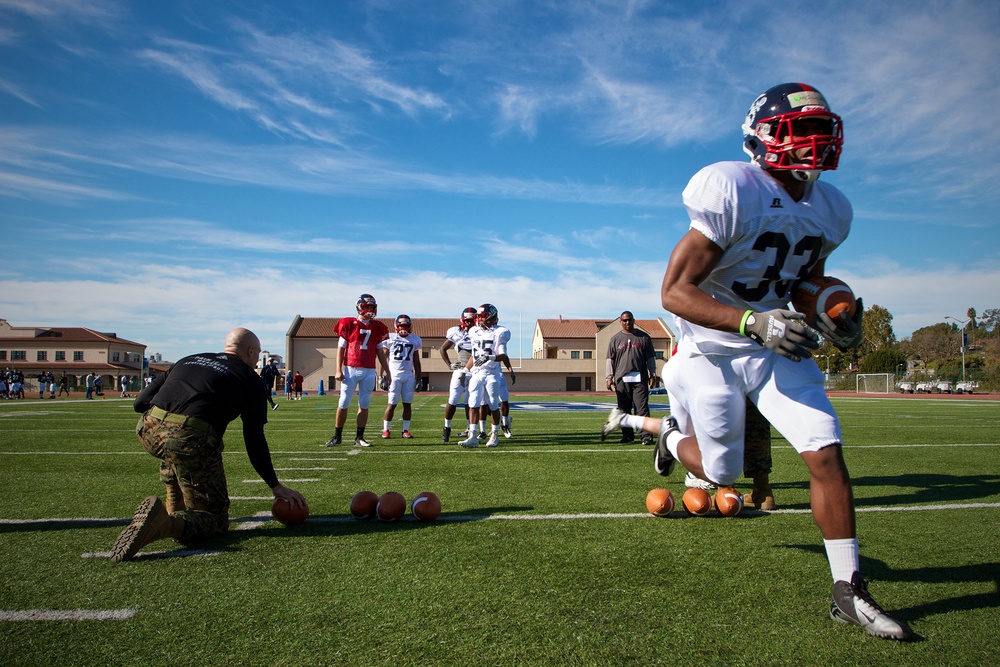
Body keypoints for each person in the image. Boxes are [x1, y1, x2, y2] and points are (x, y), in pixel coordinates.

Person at [619, 82, 908, 640]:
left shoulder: (832, 208)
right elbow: (675, 291)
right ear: (764, 138)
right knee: (721, 473)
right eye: (802, 133)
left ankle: (849, 591)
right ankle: (671, 436)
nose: (815, 145)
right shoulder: (732, 187)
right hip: (712, 347)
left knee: (824, 448)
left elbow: (804, 280)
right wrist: (752, 320)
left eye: (822, 133)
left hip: (780, 342)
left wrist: (834, 310)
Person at [111, 327, 306, 562]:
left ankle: (174, 499)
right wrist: (275, 486)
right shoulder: (249, 378)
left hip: (147, 429)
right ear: (251, 350)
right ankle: (165, 524)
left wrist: (167, 420)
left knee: (174, 444)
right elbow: (254, 439)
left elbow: (140, 403)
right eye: (256, 355)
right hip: (188, 440)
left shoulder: (188, 359)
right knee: (214, 520)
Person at [324, 294, 390, 448]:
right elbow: (341, 350)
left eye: (372, 307)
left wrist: (388, 372)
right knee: (344, 402)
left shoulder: (377, 327)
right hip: (350, 368)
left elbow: (380, 353)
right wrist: (338, 370)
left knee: (364, 403)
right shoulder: (348, 323)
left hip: (369, 370)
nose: (370, 310)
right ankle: (337, 436)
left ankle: (359, 437)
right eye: (367, 307)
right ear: (359, 306)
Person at [459, 304, 511, 448]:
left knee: (493, 405)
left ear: (491, 317)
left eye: (482, 317)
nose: (480, 320)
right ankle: (472, 436)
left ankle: (494, 435)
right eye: (479, 317)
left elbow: (502, 355)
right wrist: (465, 370)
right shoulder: (474, 331)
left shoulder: (500, 332)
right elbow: (474, 356)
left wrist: (489, 357)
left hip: (491, 374)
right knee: (473, 404)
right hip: (476, 373)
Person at [605, 311, 657, 445]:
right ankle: (628, 436)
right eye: (625, 320)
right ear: (620, 322)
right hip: (622, 379)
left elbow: (650, 358)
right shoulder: (615, 339)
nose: (628, 322)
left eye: (630, 320)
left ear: (634, 320)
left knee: (641, 408)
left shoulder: (644, 337)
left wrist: (653, 374)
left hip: (640, 378)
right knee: (624, 409)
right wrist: (609, 377)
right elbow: (610, 359)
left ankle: (646, 436)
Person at [380, 314, 423, 439]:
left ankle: (405, 430)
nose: (403, 328)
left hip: (409, 376)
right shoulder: (390, 338)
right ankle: (386, 430)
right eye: (401, 326)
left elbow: (416, 360)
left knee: (407, 404)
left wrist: (419, 378)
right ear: (396, 326)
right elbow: (383, 358)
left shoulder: (414, 340)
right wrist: (381, 375)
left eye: (406, 326)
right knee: (392, 404)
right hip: (394, 376)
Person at [438, 307, 477, 442]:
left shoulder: (479, 332)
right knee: (453, 400)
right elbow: (442, 348)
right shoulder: (455, 332)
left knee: (470, 402)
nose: (469, 323)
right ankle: (446, 428)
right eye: (467, 320)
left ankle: (469, 429)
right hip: (460, 370)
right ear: (462, 320)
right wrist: (449, 365)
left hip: (475, 371)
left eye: (472, 320)